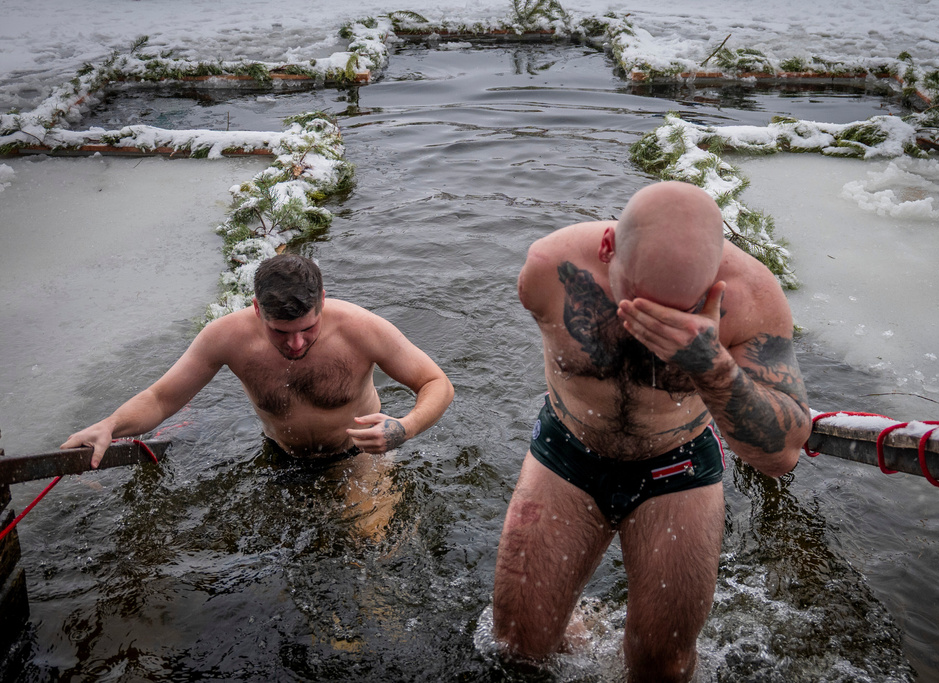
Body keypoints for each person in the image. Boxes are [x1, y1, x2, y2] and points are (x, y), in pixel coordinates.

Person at [492, 181, 811, 681]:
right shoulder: (548, 269)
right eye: (639, 300)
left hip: (677, 464)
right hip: (569, 452)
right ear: (607, 247)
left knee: (662, 668)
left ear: (713, 280)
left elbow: (782, 455)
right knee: (517, 646)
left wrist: (711, 365)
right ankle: (581, 628)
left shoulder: (751, 295)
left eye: (678, 309)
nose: (653, 322)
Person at [63, 252, 454, 470]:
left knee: (370, 551)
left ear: (322, 302)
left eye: (308, 328)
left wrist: (403, 427)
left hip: (355, 458)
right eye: (280, 333)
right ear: (256, 310)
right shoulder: (226, 337)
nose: (297, 344)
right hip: (278, 457)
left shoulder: (362, 329)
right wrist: (110, 425)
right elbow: (162, 399)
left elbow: (437, 383)